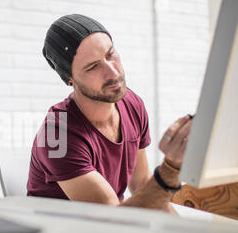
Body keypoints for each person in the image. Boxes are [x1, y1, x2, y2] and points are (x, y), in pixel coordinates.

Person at [27, 14, 193, 213]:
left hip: (106, 231)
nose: (113, 73)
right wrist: (170, 169)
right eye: (93, 66)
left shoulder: (131, 103)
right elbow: (113, 218)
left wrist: (182, 232)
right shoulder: (56, 134)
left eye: (110, 54)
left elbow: (140, 184)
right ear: (70, 79)